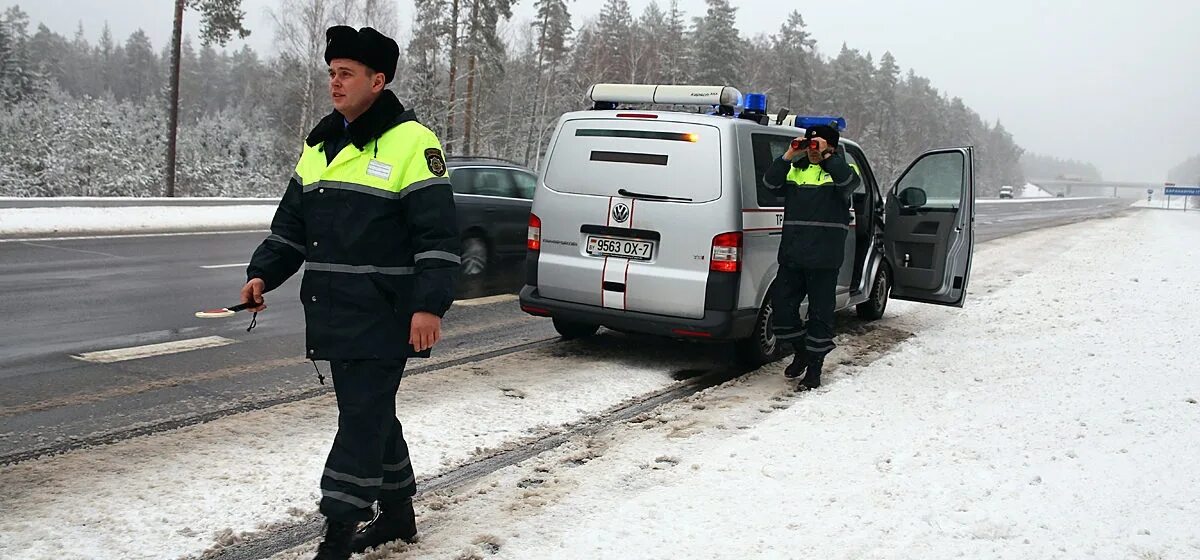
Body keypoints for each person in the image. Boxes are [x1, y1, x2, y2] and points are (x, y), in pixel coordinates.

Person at [238, 25, 460, 559]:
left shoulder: (413, 143)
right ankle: (400, 516)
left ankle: (338, 534)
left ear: (377, 81)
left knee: (360, 417)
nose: (335, 83)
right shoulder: (318, 146)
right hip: (333, 310)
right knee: (371, 413)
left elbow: (437, 237)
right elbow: (291, 226)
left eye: (347, 74)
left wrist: (429, 305)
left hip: (386, 312)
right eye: (332, 73)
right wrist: (262, 274)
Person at [763, 125, 860, 390]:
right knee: (781, 311)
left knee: (820, 316)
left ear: (830, 145)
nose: (813, 149)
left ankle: (814, 370)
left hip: (824, 259)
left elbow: (849, 184)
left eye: (817, 144)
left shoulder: (843, 169)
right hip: (792, 255)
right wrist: (788, 155)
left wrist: (828, 157)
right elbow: (770, 184)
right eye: (810, 143)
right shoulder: (796, 168)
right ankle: (802, 351)